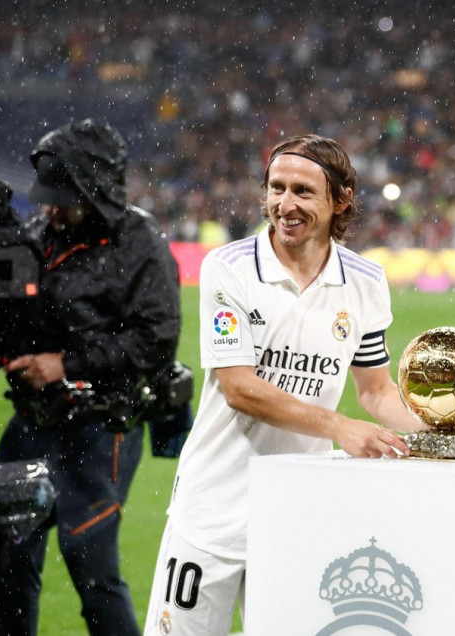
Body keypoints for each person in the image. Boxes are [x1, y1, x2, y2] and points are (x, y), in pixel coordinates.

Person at [143, 134, 429, 636]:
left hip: (298, 514)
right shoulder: (228, 269)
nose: (285, 204)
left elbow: (376, 392)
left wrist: (443, 429)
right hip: (212, 508)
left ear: (340, 200)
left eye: (302, 191)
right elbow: (239, 389)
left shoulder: (365, 282)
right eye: (277, 188)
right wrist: (341, 428)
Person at [0, 118, 182, 635]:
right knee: (7, 562)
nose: (48, 208)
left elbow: (157, 338)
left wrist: (66, 364)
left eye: (62, 196)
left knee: (90, 562)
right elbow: (6, 320)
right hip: (33, 420)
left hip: (101, 426)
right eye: (46, 195)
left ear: (94, 191)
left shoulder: (139, 241)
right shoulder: (36, 236)